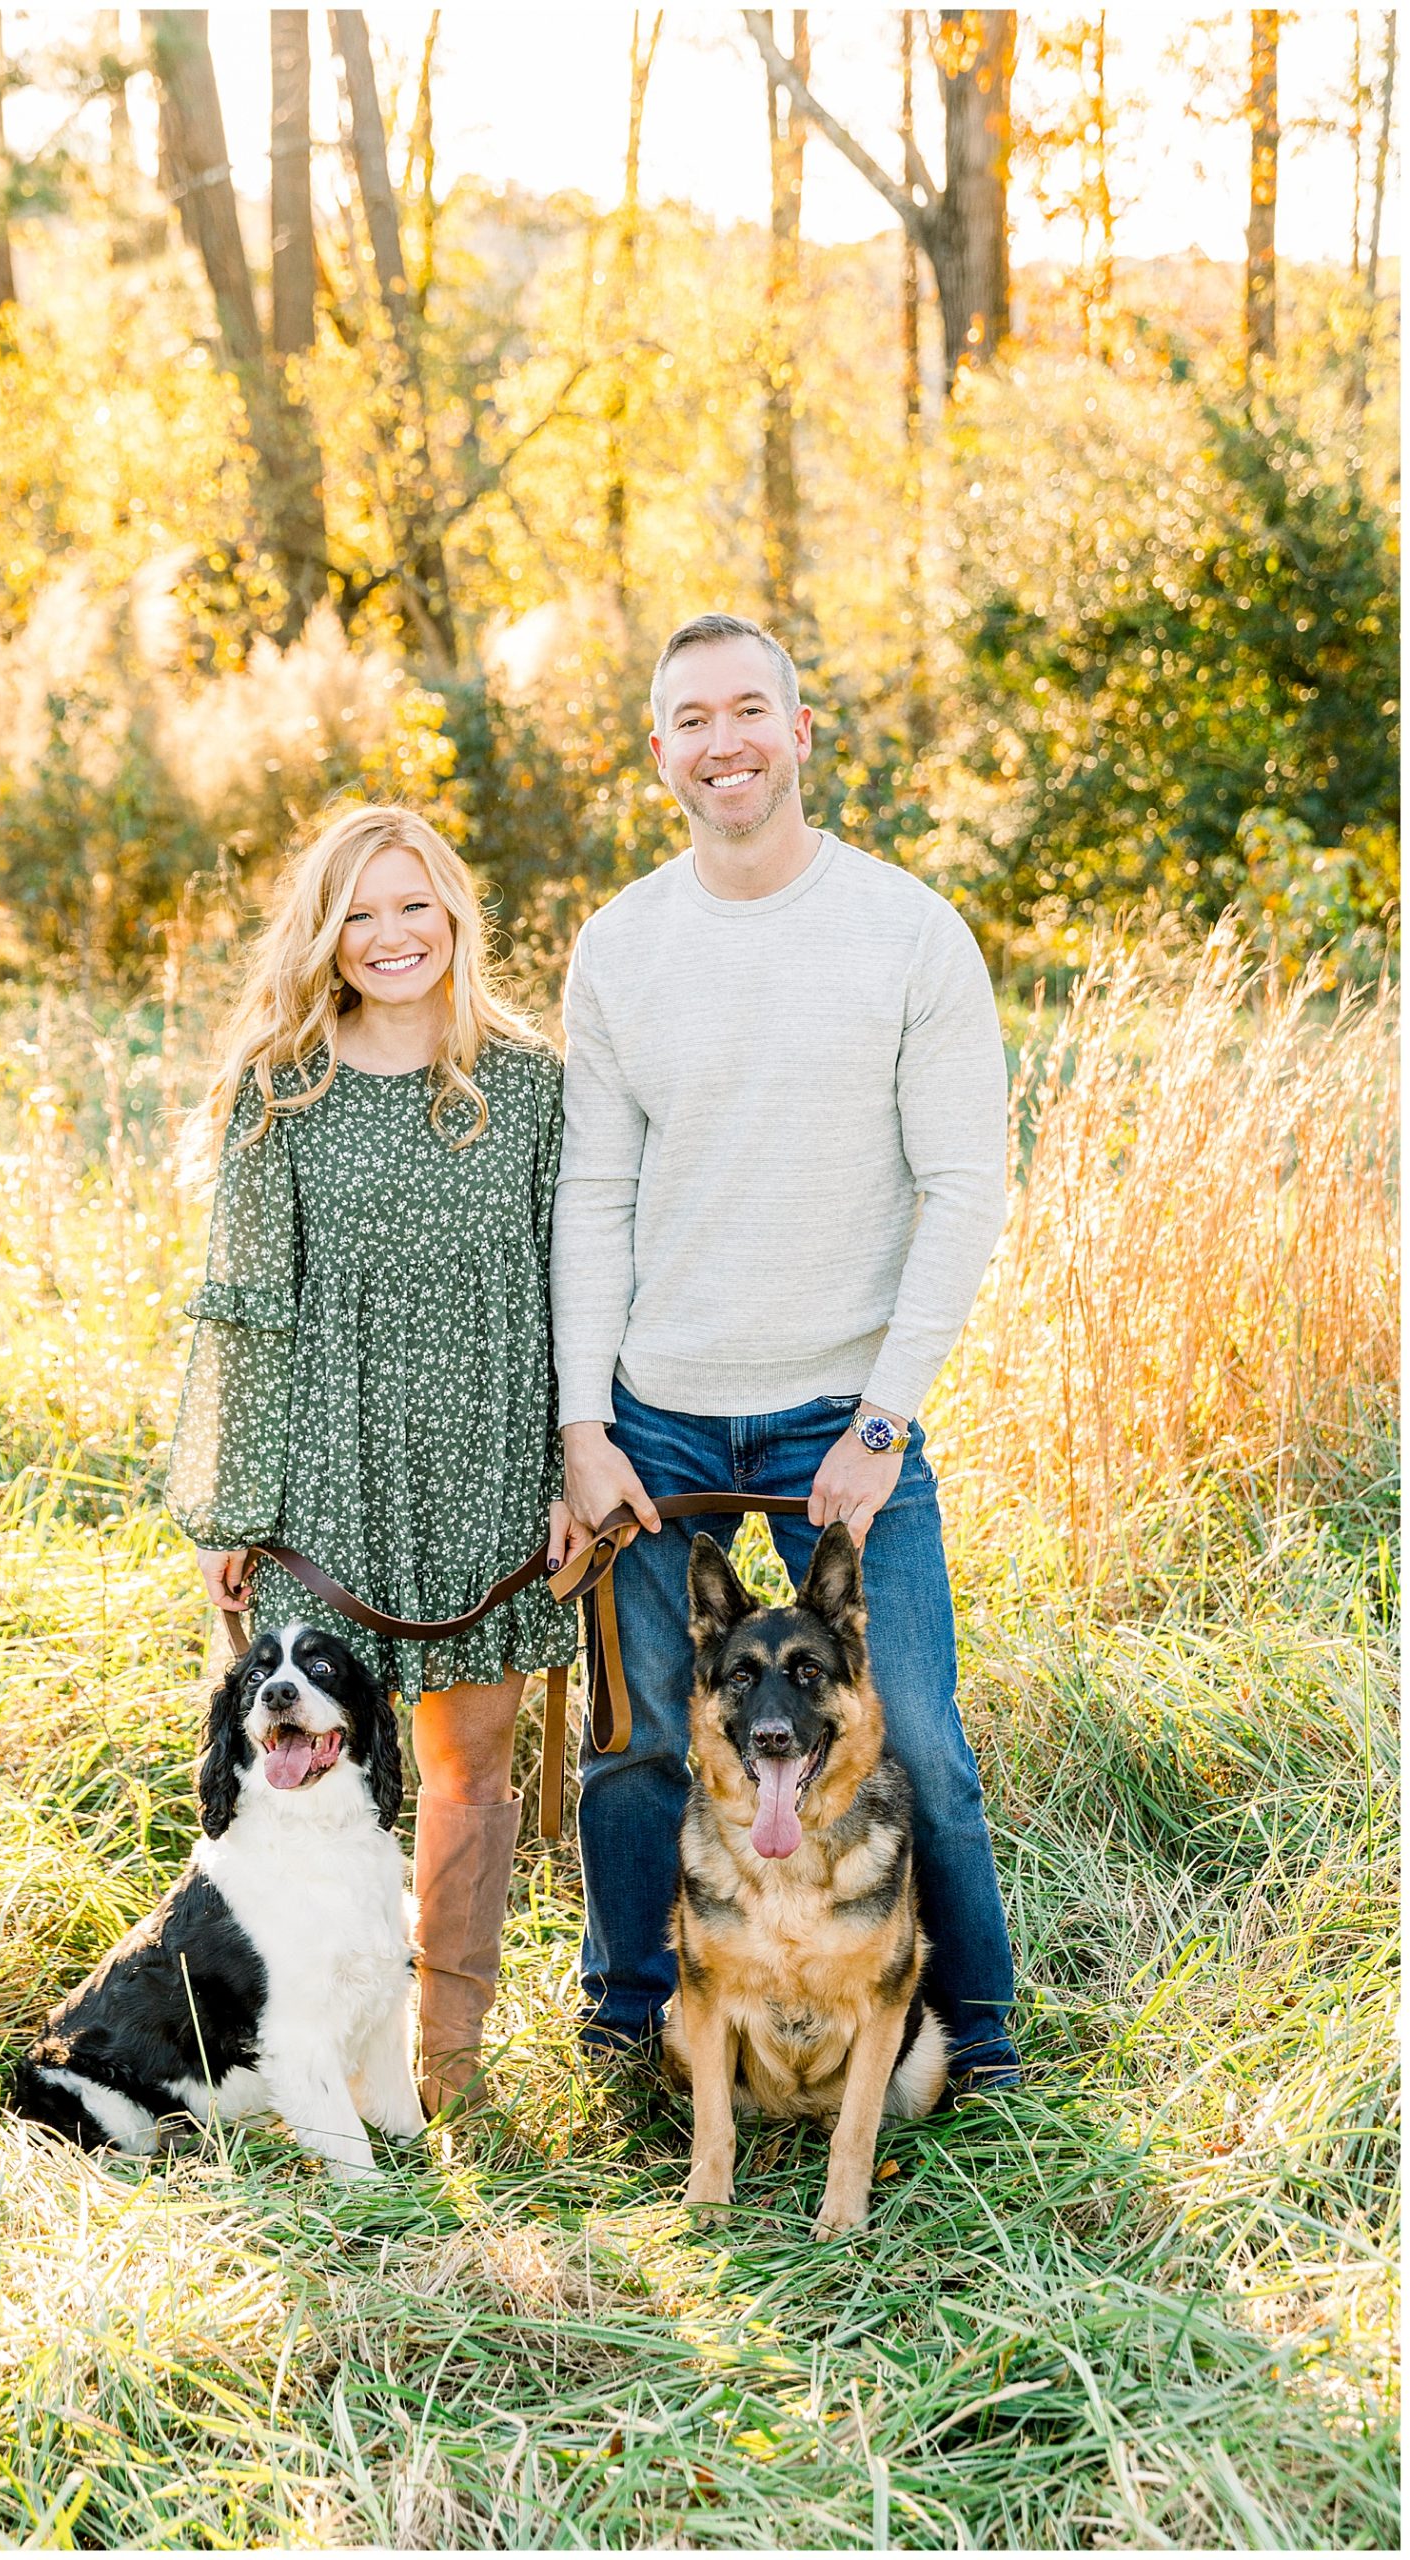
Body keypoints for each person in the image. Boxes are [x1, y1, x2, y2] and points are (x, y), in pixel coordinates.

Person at [548, 613, 1020, 2091]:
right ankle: (641, 2021)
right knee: (640, 1746)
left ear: (800, 731)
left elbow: (964, 1187)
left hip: (841, 1412)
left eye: (749, 710)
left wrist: (882, 1425)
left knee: (917, 1739)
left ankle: (974, 2032)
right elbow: (593, 1194)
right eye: (691, 720)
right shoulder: (621, 944)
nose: (724, 743)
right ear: (659, 752)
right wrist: (583, 1425)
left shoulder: (907, 932)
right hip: (657, 1419)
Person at [165, 803, 576, 2116]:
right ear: (324, 935)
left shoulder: (531, 1085)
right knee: (305, 1782)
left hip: (489, 1470)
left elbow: (579, 1287)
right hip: (322, 1477)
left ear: (454, 913)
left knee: (468, 1777)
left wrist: (572, 1473)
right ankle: (312, 2061)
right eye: (359, 912)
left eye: (413, 905)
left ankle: (442, 2075)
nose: (391, 935)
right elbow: (244, 1309)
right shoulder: (281, 1090)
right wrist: (236, 1506)